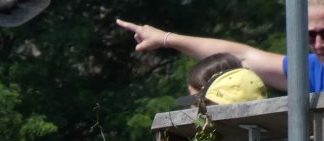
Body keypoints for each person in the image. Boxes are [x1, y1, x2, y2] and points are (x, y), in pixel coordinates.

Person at [117, 7, 324, 92]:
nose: (318, 44)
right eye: (310, 35)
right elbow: (243, 57)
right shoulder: (312, 69)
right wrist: (165, 39)